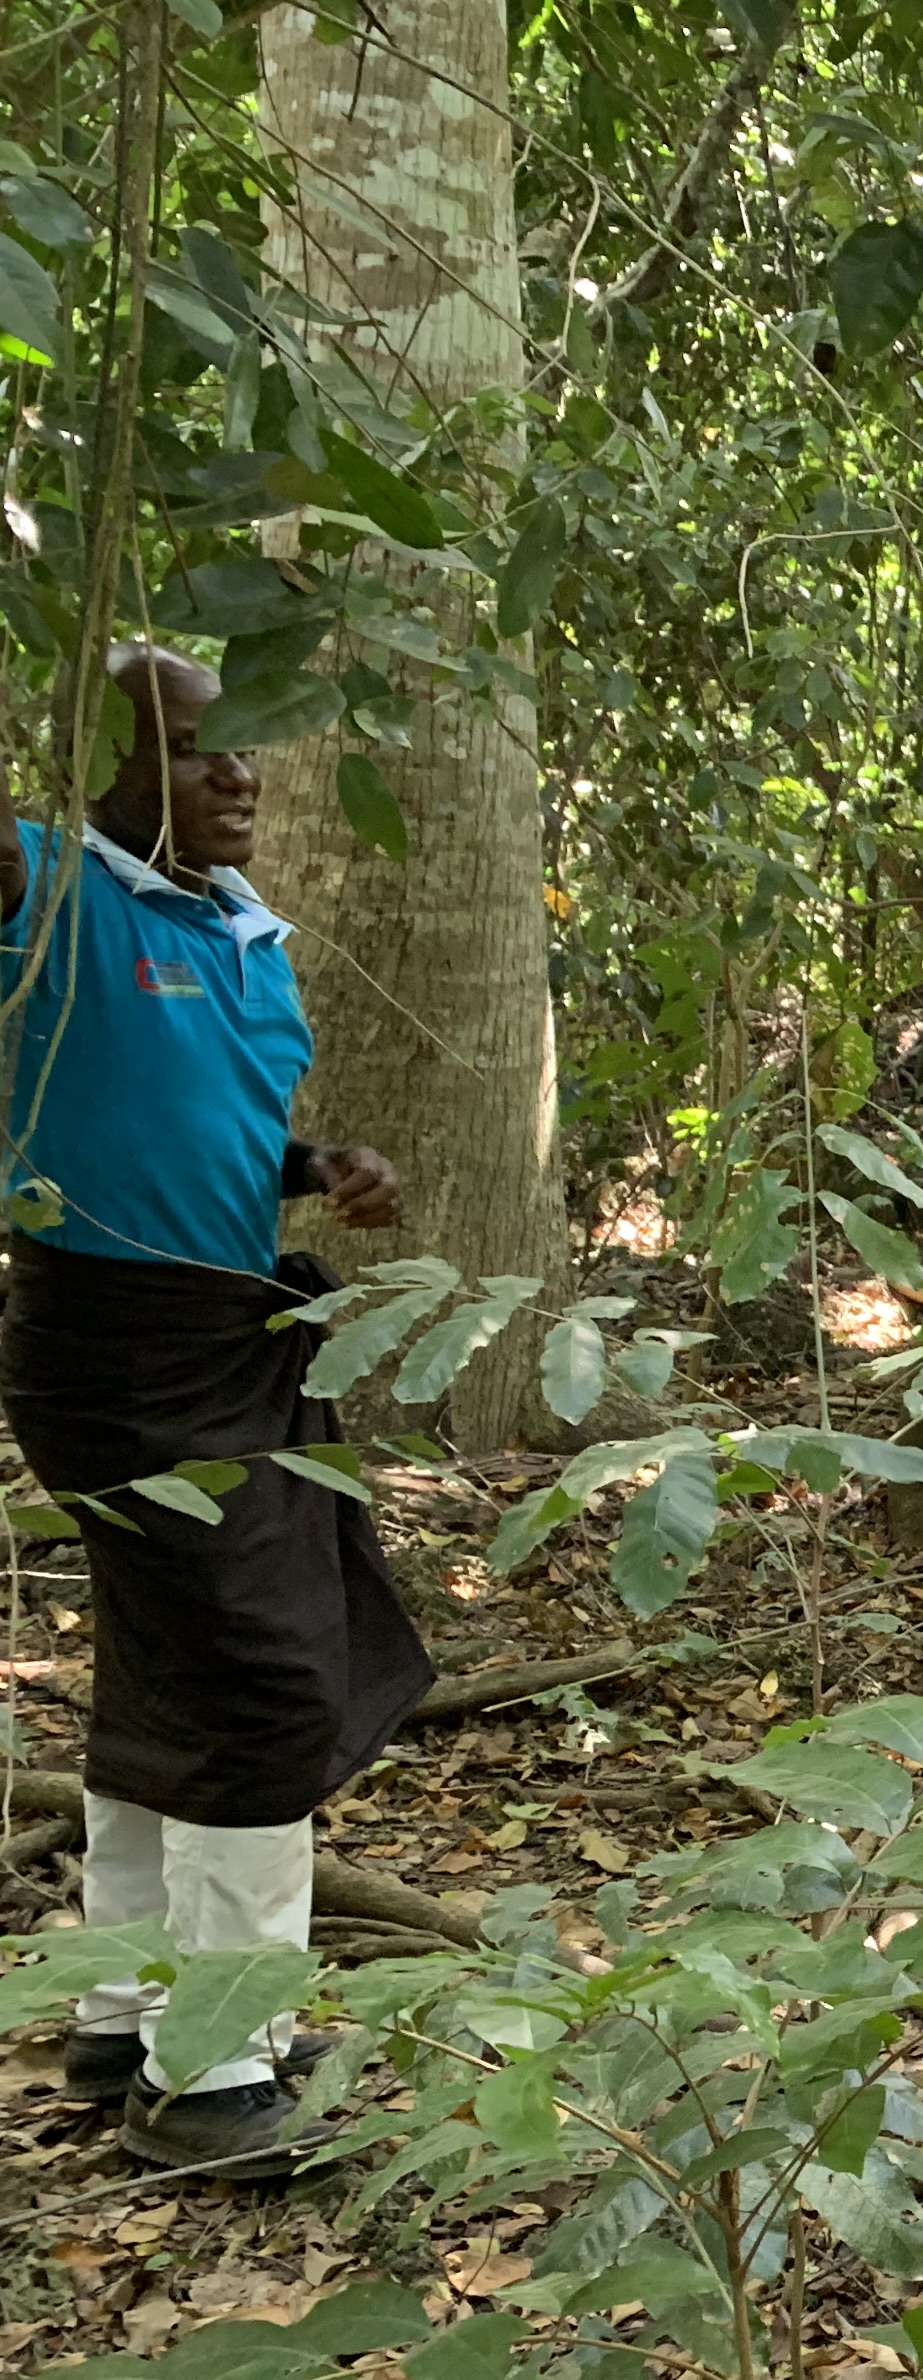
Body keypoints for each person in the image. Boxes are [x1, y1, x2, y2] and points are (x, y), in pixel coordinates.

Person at [0, 645, 429, 2174]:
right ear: (102, 769)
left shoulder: (244, 935)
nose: (234, 774)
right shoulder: (47, 891)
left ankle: (124, 2014)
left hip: (228, 1331)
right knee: (262, 1686)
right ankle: (215, 2074)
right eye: (191, 751)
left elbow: (201, 1122)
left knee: (171, 1670)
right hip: (114, 1351)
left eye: (244, 749)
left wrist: (315, 1169)